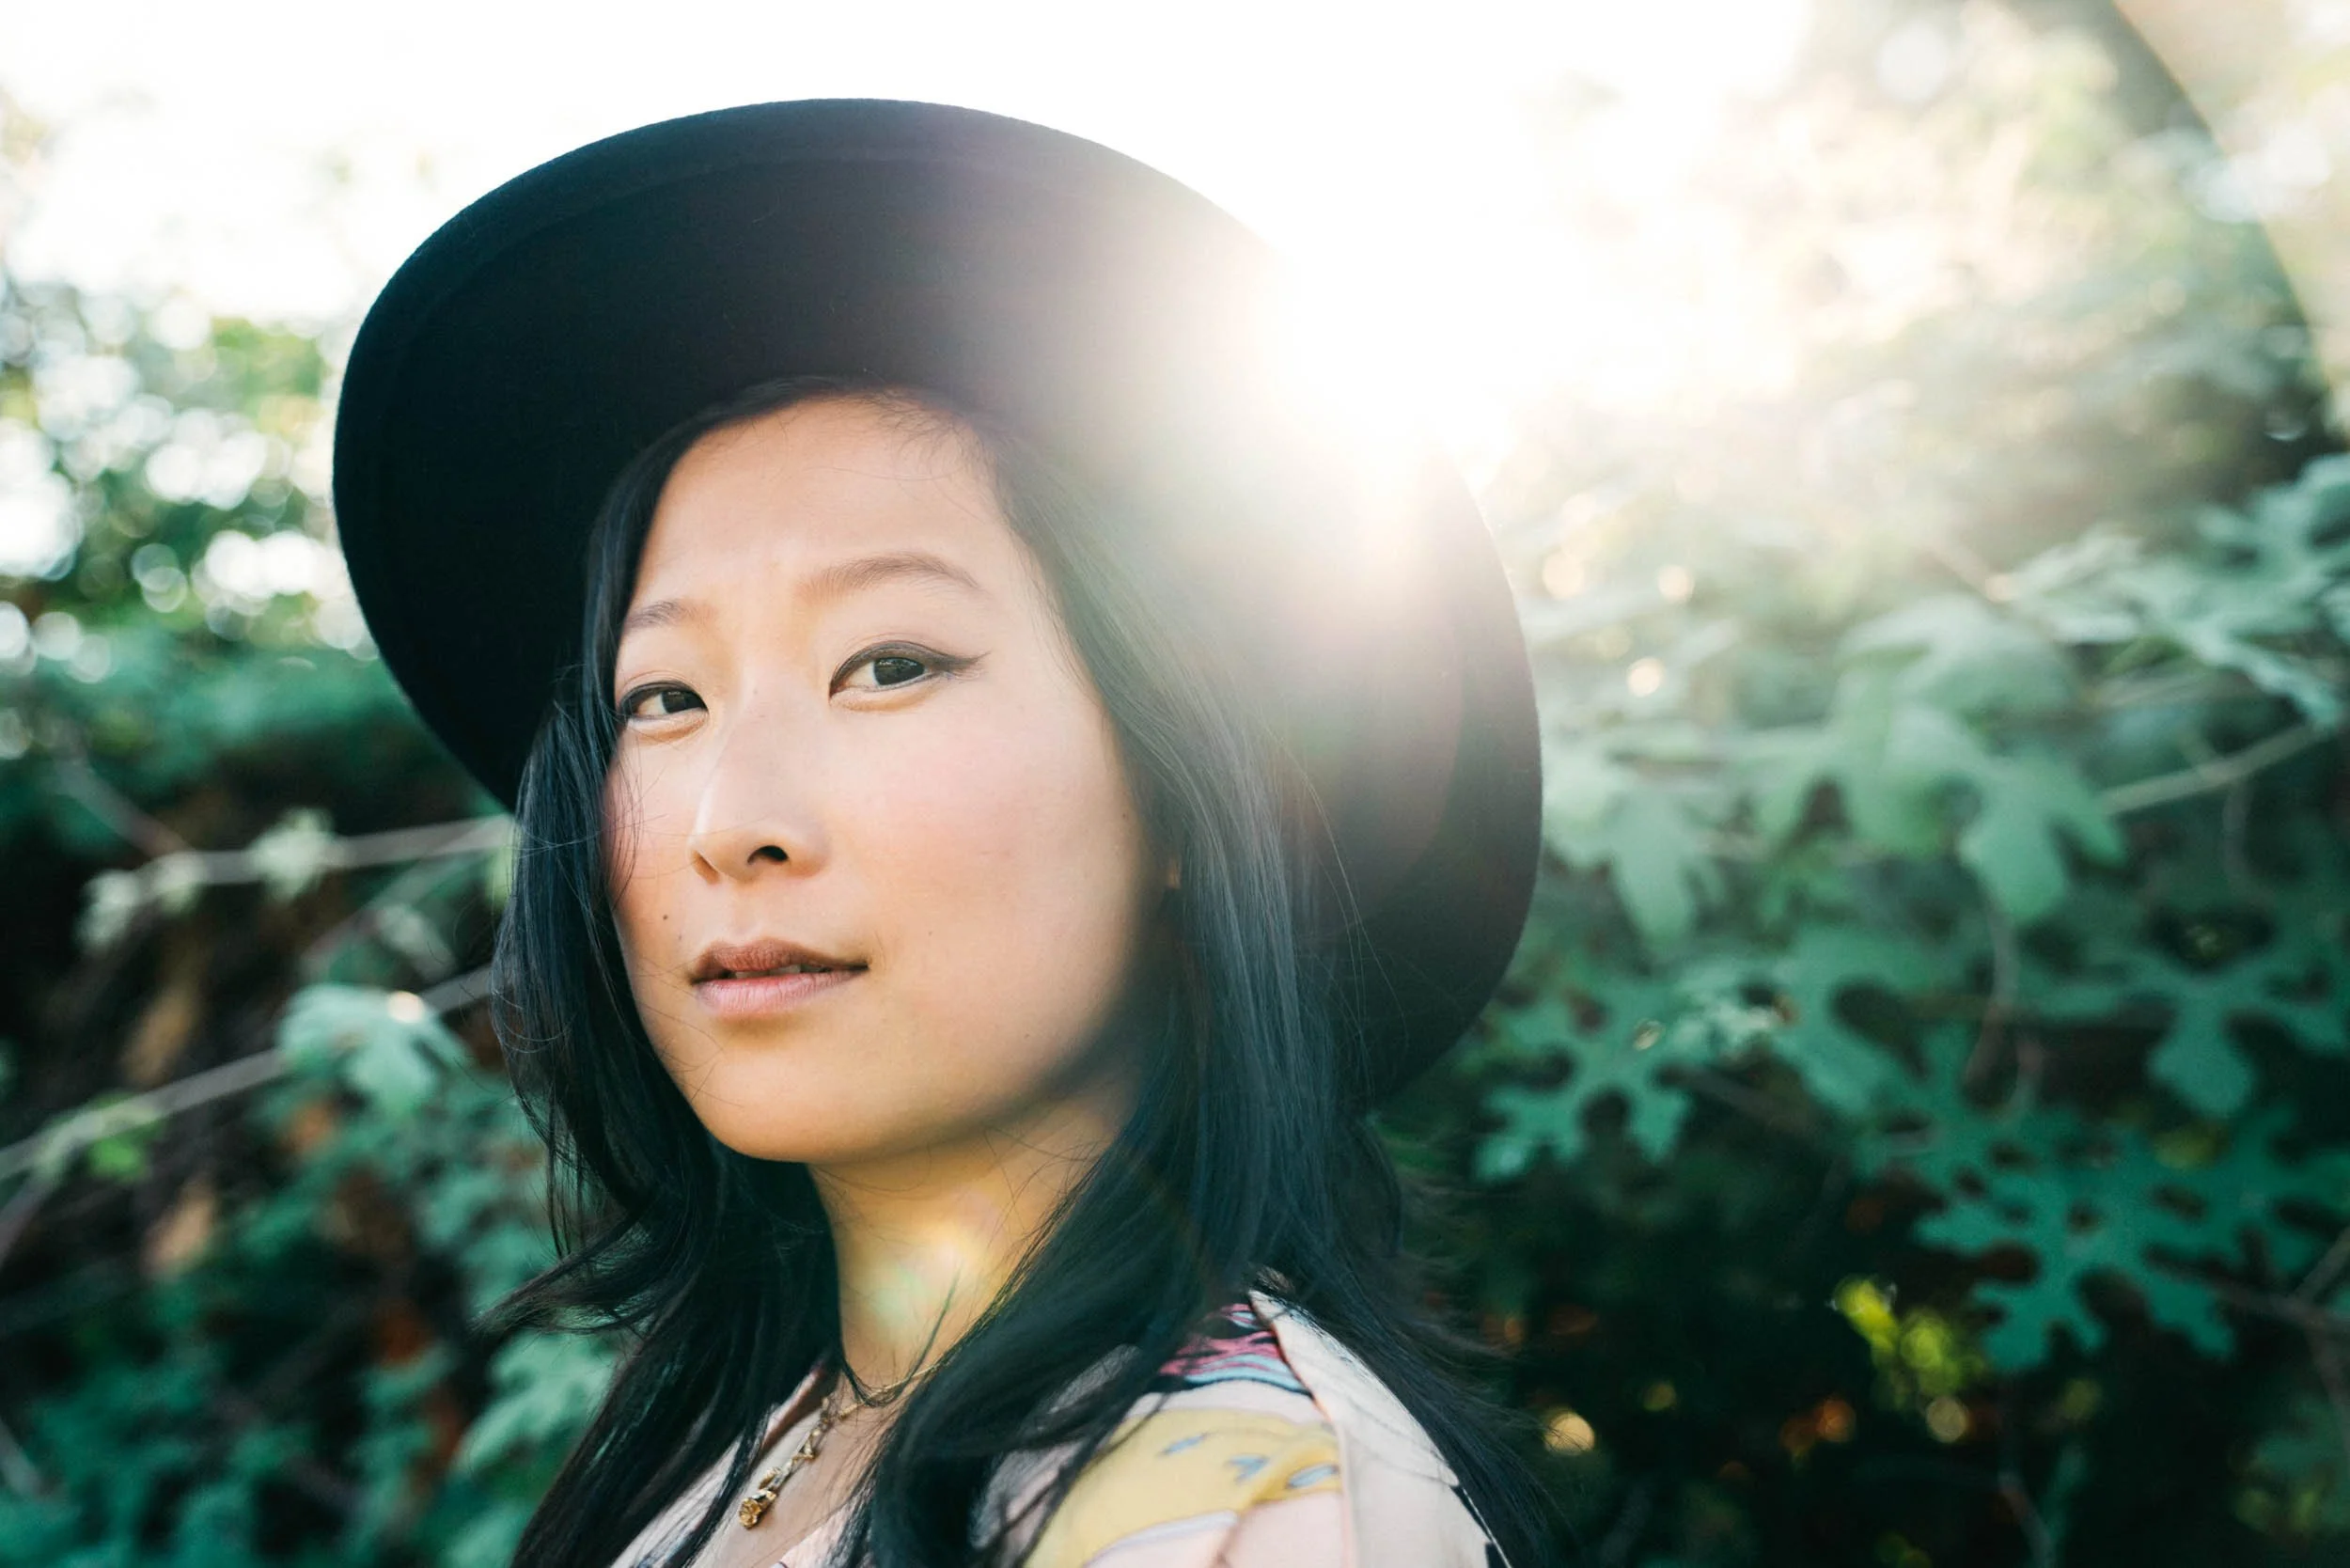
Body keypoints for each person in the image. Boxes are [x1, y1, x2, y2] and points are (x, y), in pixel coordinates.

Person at [333, 100, 1552, 1568]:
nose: (732, 824)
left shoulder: (1242, 1511)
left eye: (890, 665)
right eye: (661, 697)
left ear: (1179, 787)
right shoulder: (766, 1449)